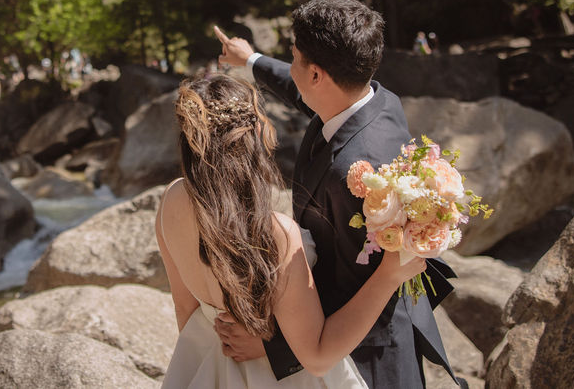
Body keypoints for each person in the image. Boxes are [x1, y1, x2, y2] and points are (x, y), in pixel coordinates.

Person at [213, 0, 463, 388]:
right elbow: (303, 93)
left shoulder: (355, 175)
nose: (291, 64)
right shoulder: (377, 101)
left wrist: (274, 342)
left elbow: (359, 290)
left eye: (293, 57)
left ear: (316, 74)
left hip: (368, 357)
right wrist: (251, 60)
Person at [157, 74, 428, 388]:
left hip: (210, 366)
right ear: (253, 133)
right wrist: (388, 277)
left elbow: (186, 310)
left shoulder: (170, 201)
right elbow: (318, 357)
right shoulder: (276, 234)